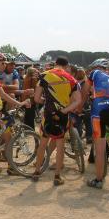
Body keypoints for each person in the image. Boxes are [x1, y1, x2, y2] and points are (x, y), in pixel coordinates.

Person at [32, 56, 81, 186]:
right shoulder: (72, 79)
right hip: (63, 117)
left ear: (55, 64)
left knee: (42, 144)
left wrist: (46, 102)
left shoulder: (44, 75)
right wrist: (63, 111)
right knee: (60, 147)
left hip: (47, 115)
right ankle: (57, 176)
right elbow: (78, 101)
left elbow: (36, 98)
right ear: (66, 66)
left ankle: (37, 171)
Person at [0, 52, 30, 174]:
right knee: (9, 138)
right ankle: (12, 168)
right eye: (3, 63)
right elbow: (2, 94)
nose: (4, 65)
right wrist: (20, 103)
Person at [82, 59, 109, 189]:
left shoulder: (95, 73)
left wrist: (80, 106)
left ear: (98, 67)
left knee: (100, 150)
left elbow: (85, 91)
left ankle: (98, 180)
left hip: (98, 113)